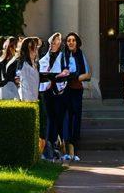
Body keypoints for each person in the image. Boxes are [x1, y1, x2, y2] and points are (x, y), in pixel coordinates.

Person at [60, 31, 92, 163]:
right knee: (66, 117)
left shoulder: (80, 55)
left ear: (77, 43)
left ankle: (74, 149)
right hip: (64, 89)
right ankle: (65, 149)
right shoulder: (63, 56)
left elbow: (88, 74)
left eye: (73, 40)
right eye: (68, 41)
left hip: (76, 90)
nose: (71, 42)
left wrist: (77, 77)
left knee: (75, 118)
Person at [39, 32, 71, 161]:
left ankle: (56, 142)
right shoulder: (44, 57)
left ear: (60, 43)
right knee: (49, 116)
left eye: (56, 41)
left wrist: (59, 75)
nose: (53, 43)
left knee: (58, 116)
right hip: (46, 89)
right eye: (52, 41)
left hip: (59, 90)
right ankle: (50, 143)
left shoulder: (64, 56)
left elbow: (67, 71)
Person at [0, 35, 20, 99]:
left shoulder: (1, 59)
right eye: (16, 46)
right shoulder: (11, 60)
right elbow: (9, 75)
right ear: (12, 47)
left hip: (3, 86)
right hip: (8, 86)